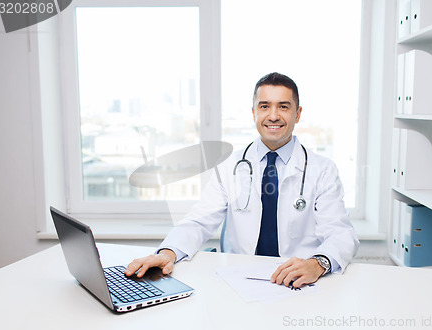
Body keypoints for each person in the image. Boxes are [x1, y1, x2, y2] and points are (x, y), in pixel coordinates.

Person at [126, 72, 359, 288]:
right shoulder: (229, 167)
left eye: (284, 107)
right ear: (254, 113)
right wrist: (167, 253)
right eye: (264, 106)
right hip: (241, 280)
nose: (273, 115)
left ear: (297, 114)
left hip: (299, 281)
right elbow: (199, 221)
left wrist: (317, 264)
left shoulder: (322, 169)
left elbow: (341, 233)